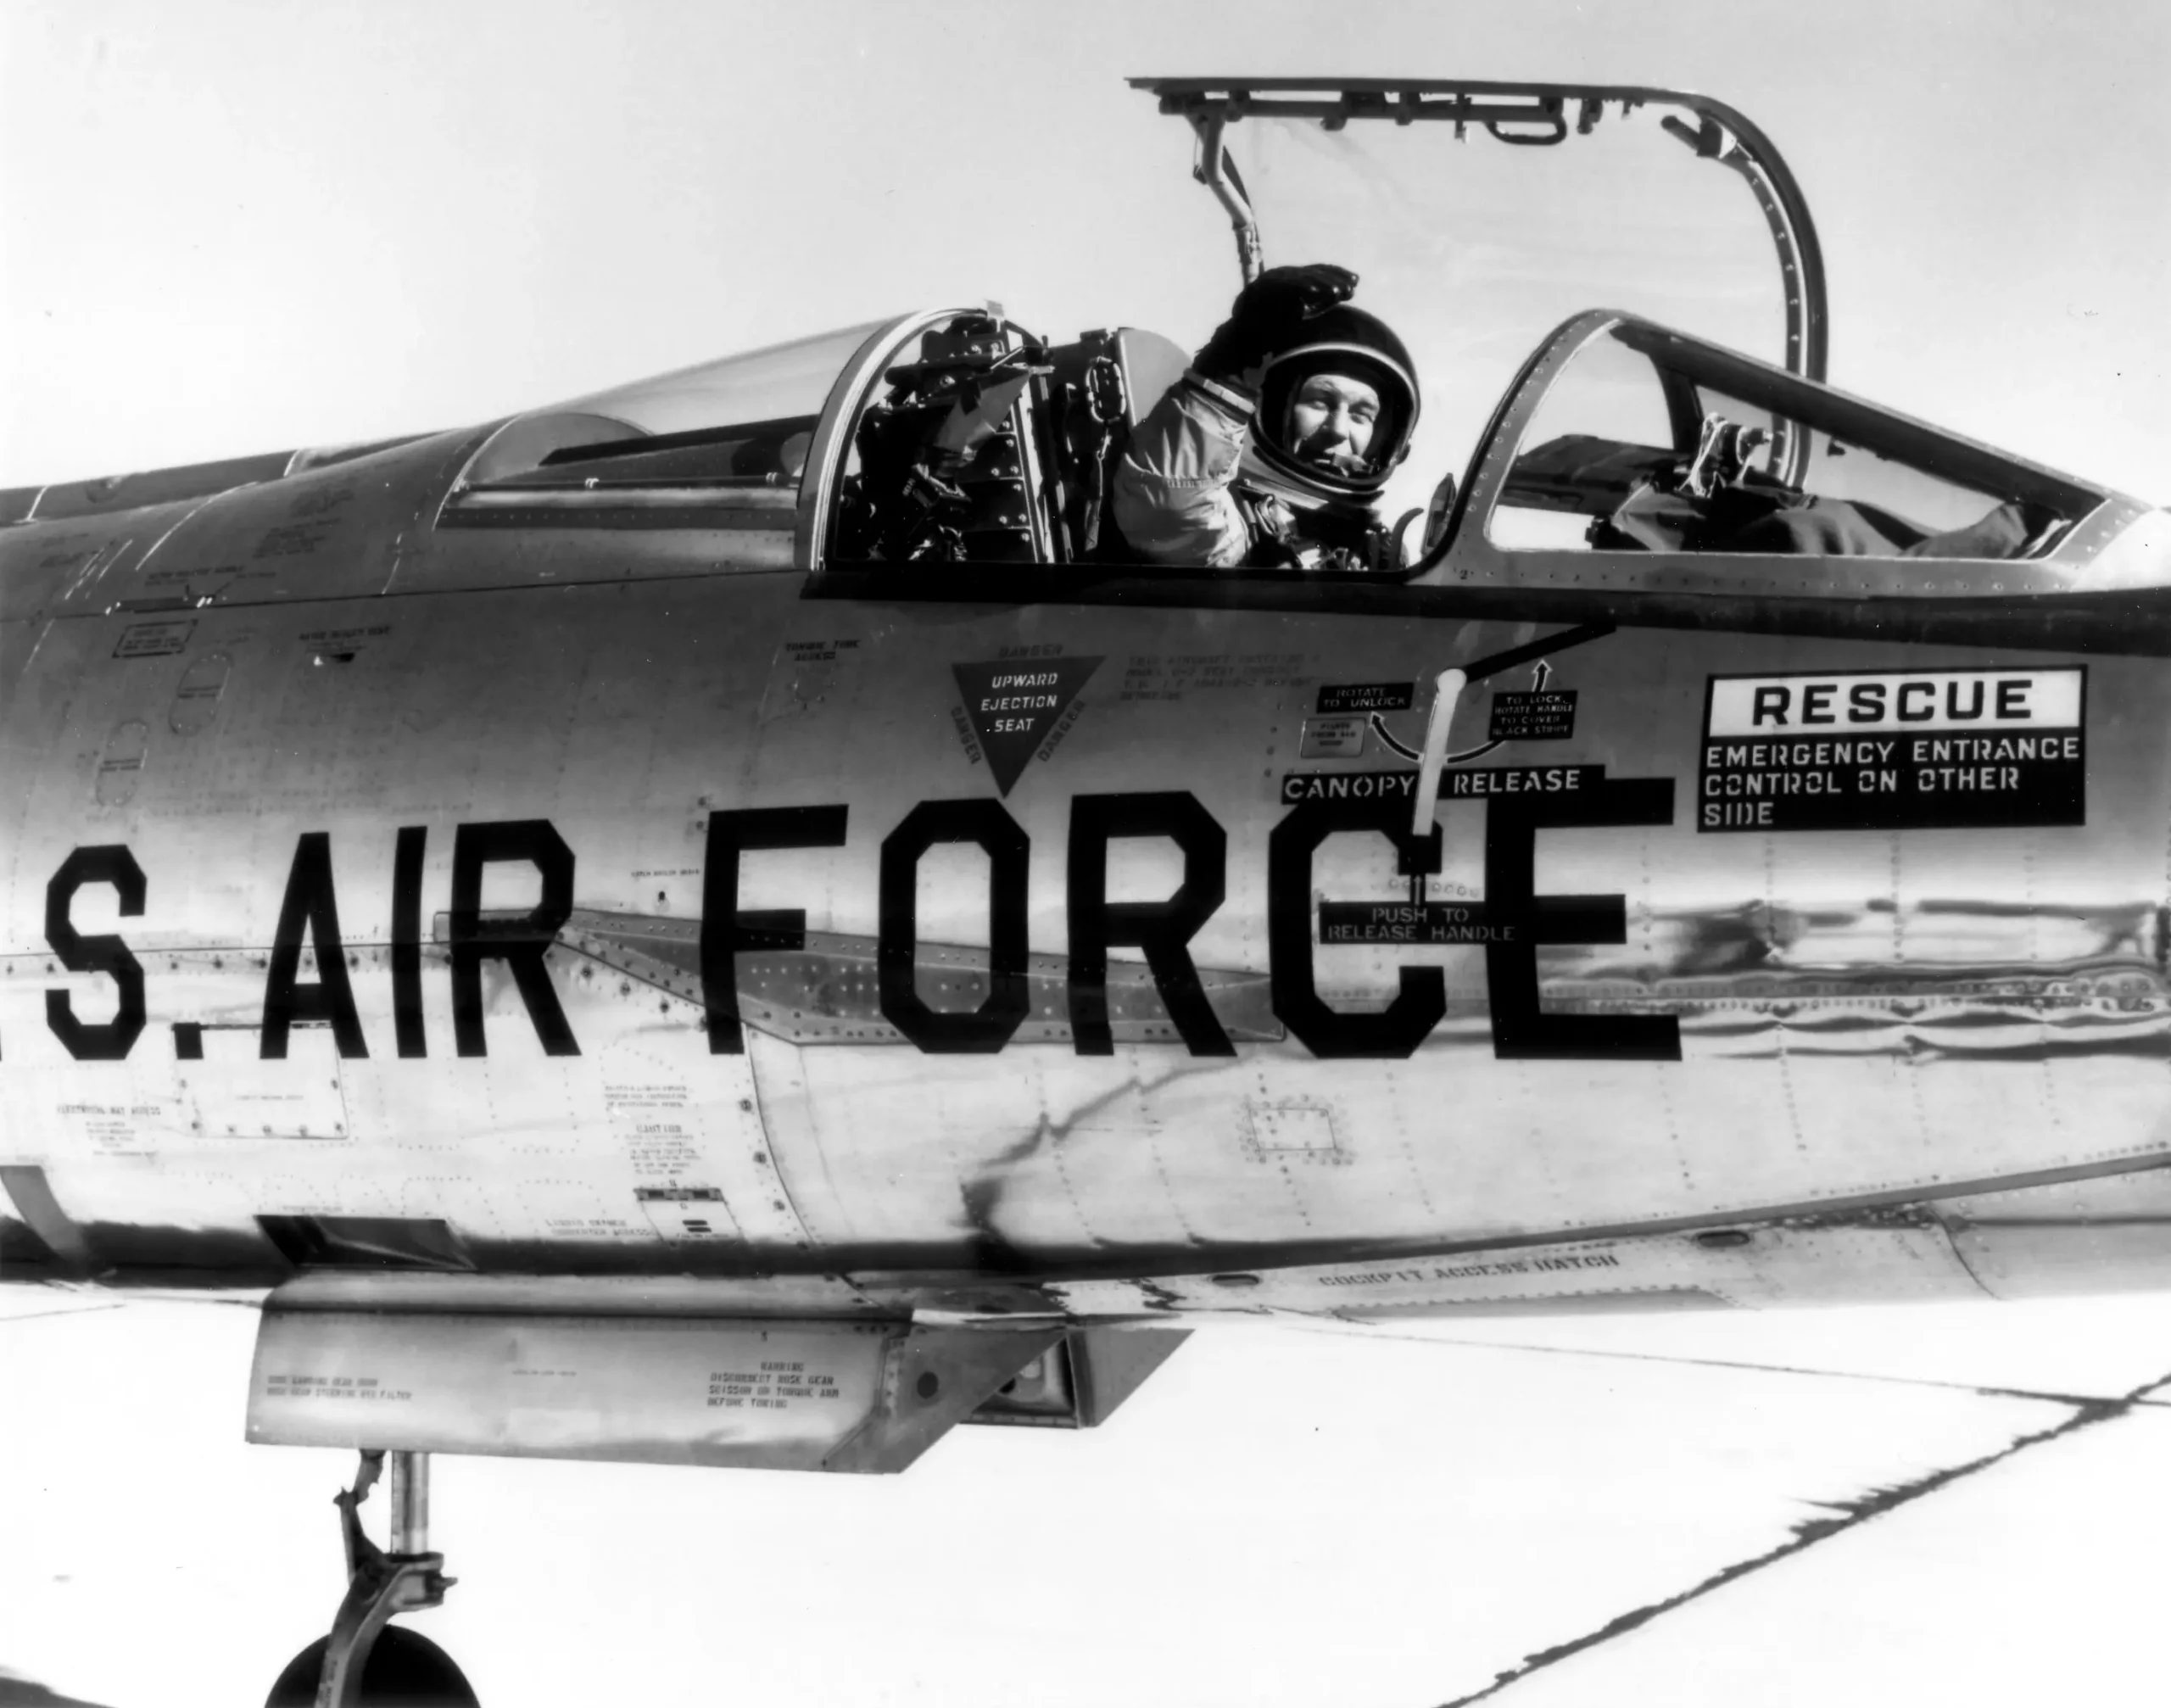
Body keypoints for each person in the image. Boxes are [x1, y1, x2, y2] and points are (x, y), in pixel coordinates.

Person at [1112, 264, 1420, 572]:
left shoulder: (1381, 551)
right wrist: (1231, 369)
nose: (1339, 430)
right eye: (1321, 402)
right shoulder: (1237, 525)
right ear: (1269, 411)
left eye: (1360, 414)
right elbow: (1173, 505)